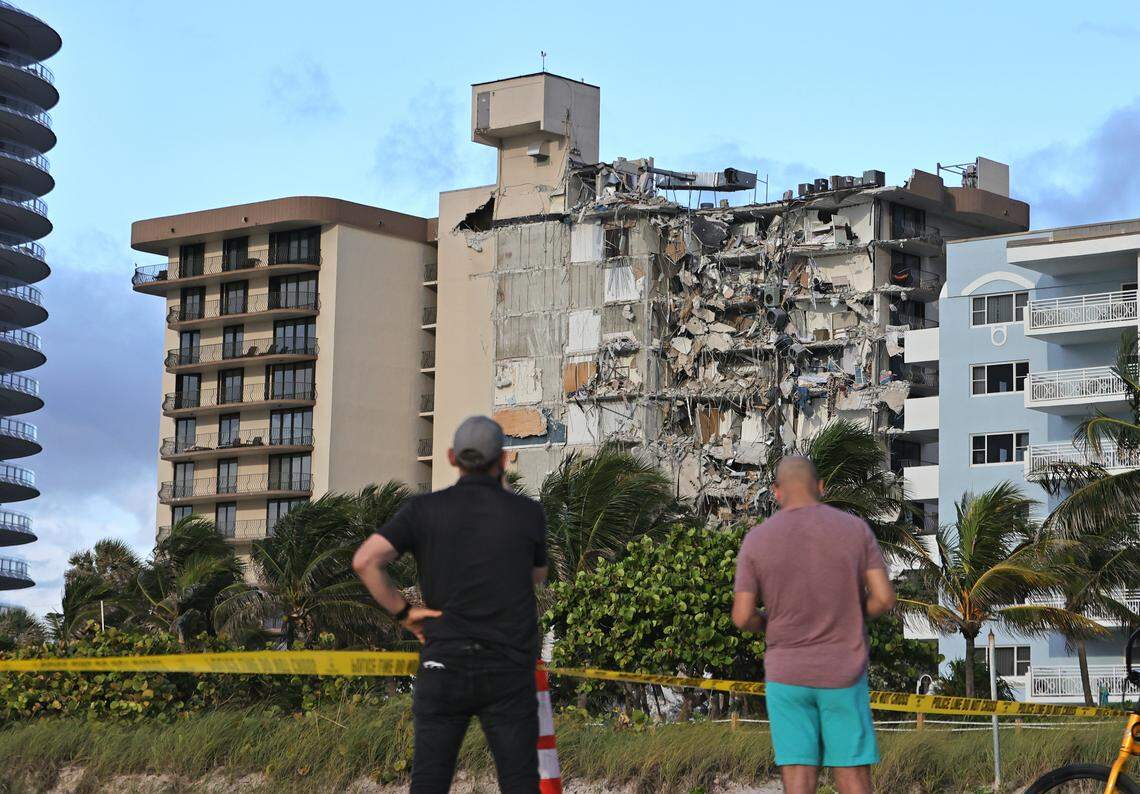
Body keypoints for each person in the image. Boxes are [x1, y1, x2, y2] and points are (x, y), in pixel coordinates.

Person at [353, 416, 549, 793]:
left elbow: (365, 561)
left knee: (429, 781)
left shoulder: (423, 510)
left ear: (450, 457)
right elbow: (535, 576)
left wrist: (405, 614)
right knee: (520, 782)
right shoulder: (527, 513)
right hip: (507, 666)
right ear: (504, 460)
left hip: (444, 660)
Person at [731, 455, 896, 794]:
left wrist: (770, 624)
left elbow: (742, 615)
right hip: (843, 673)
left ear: (776, 492)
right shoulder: (854, 530)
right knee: (852, 776)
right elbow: (883, 598)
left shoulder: (757, 540)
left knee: (798, 779)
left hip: (786, 674)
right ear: (821, 487)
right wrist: (848, 613)